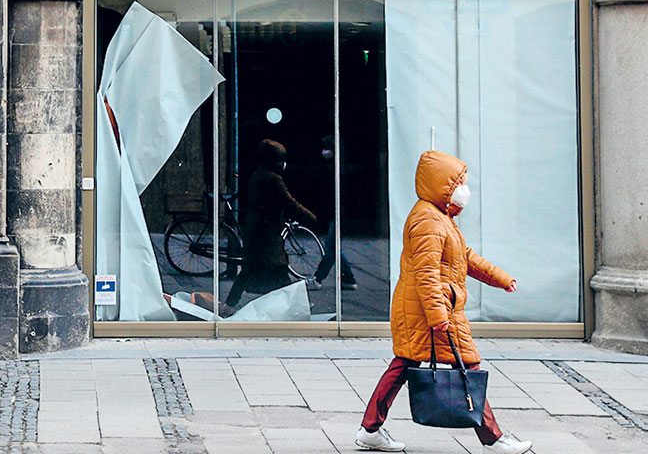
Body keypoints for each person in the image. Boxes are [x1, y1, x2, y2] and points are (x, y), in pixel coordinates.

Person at [354, 151, 531, 454]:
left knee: (405, 364)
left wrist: (500, 278)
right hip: (432, 312)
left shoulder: (440, 217)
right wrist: (438, 317)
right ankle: (493, 438)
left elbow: (464, 257)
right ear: (442, 186)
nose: (465, 189)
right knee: (469, 368)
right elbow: (427, 275)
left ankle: (370, 428)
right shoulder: (428, 221)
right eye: (459, 183)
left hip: (429, 310)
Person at [225, 139, 316, 307]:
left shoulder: (258, 174)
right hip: (266, 234)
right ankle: (298, 304)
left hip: (257, 230)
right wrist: (310, 217)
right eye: (280, 159)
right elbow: (289, 202)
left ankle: (230, 304)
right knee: (277, 268)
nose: (283, 164)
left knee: (256, 268)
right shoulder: (273, 179)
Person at [304, 135, 358, 290]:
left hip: (338, 213)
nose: (324, 151)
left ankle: (318, 278)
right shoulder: (335, 166)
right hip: (337, 213)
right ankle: (348, 278)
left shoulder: (336, 169)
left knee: (331, 247)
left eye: (327, 148)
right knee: (333, 247)